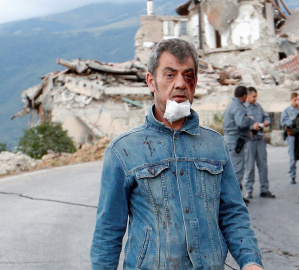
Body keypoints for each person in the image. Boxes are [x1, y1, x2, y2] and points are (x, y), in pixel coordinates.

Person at [90, 39, 263, 270]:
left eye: (188, 75)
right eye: (170, 75)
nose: (181, 83)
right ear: (151, 81)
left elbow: (232, 212)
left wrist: (250, 261)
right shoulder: (123, 150)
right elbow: (108, 230)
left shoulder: (214, 144)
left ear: (195, 82)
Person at [223, 85, 262, 204]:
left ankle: (236, 197)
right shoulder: (238, 107)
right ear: (245, 96)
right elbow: (241, 122)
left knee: (234, 169)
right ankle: (234, 200)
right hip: (235, 141)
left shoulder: (232, 105)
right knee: (237, 170)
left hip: (233, 140)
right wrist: (250, 120)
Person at [244, 87, 276, 199]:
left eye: (256, 96)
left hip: (260, 139)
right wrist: (251, 126)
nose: (255, 98)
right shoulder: (243, 108)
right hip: (249, 141)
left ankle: (264, 189)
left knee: (263, 166)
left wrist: (267, 121)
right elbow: (240, 123)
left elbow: (265, 116)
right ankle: (248, 191)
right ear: (247, 96)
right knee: (250, 167)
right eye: (253, 96)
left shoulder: (258, 106)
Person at [281, 92, 299, 184]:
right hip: (291, 134)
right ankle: (292, 175)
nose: (296, 102)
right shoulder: (287, 110)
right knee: (292, 157)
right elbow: (283, 122)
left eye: (298, 100)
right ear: (291, 100)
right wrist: (293, 123)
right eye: (294, 100)